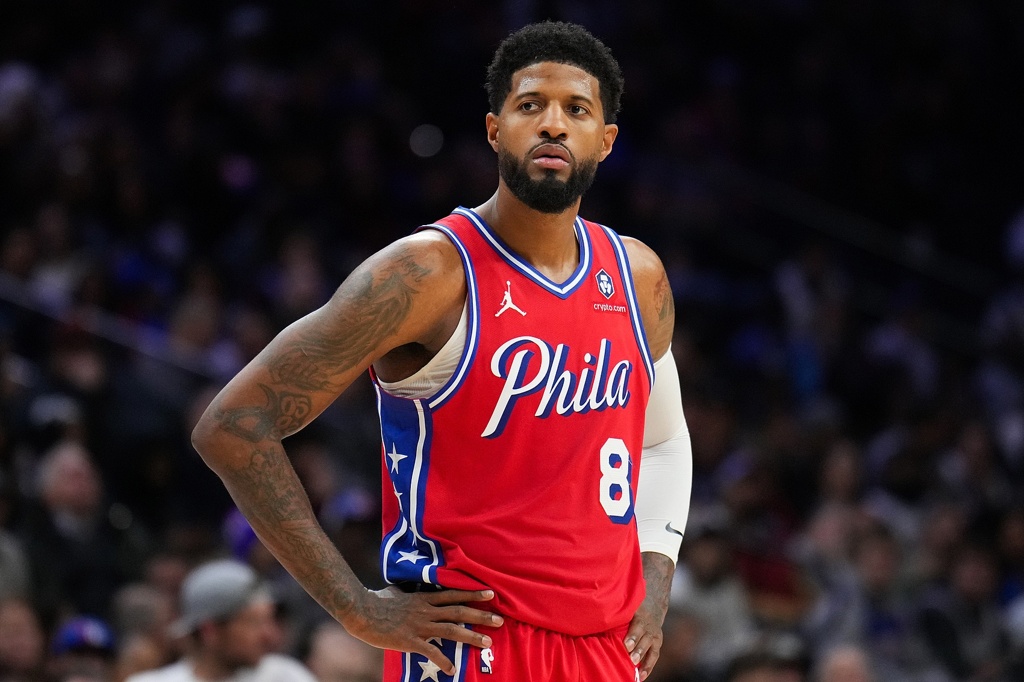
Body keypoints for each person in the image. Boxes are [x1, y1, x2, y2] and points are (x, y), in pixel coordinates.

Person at [191, 20, 692, 682]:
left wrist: (656, 574)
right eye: (530, 105)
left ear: (606, 140)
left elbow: (663, 442)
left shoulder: (637, 277)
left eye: (576, 109)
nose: (552, 124)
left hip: (603, 647)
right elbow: (233, 425)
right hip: (469, 644)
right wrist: (356, 608)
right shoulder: (425, 274)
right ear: (494, 130)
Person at [124, 559, 317, 682]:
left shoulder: (287, 676)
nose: (270, 635)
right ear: (209, 631)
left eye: (269, 620)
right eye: (254, 623)